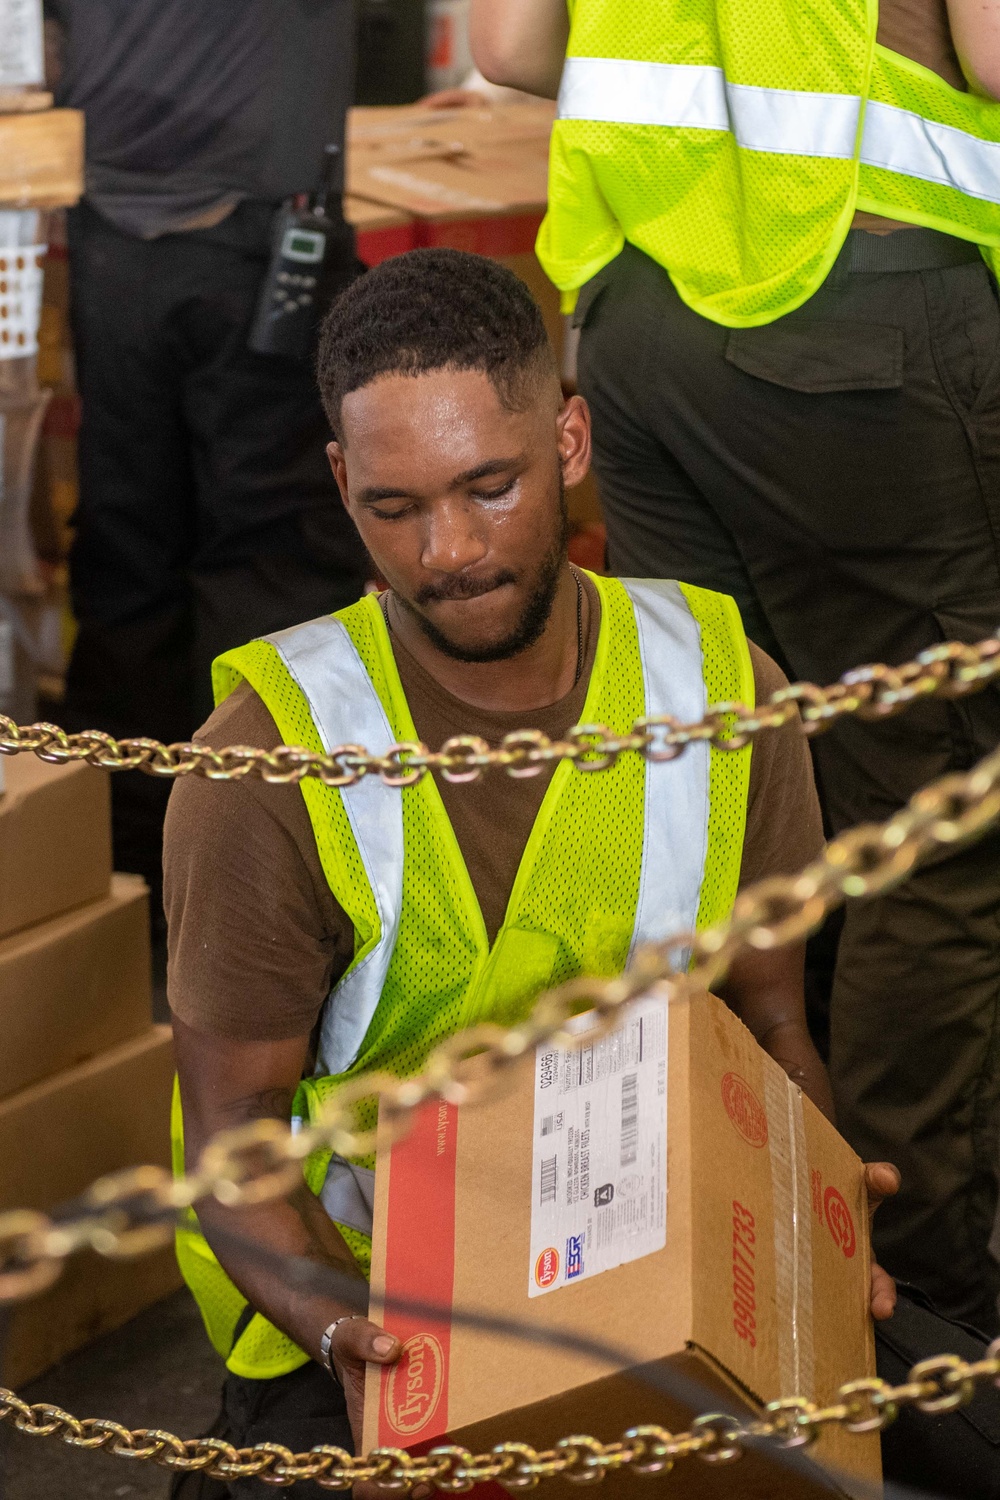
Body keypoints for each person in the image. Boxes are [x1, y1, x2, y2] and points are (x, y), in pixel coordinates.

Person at [164, 249, 897, 1487]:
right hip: (358, 1297)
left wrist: (805, 1239)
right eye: (392, 506)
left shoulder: (719, 686)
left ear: (567, 440)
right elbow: (232, 1142)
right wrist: (352, 1341)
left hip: (648, 1271)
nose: (446, 550)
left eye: (488, 487)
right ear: (341, 481)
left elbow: (775, 1023)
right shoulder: (274, 751)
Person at [471, 0, 1000, 1335]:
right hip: (863, 309)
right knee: (940, 821)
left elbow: (513, 48)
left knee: (740, 801)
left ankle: (737, 1258)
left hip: (644, 333)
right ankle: (919, 1301)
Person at [45, 0, 369, 911]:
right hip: (253, 226)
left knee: (127, 547)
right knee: (270, 564)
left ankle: (122, 886)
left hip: (117, 220)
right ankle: (250, 892)